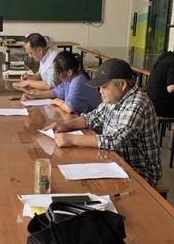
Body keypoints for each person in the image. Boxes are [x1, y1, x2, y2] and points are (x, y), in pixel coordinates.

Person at [43, 58, 162, 186]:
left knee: (83, 186)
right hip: (114, 161)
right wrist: (63, 126)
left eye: (104, 86)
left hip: (138, 172)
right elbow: (90, 118)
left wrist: (71, 139)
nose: (100, 91)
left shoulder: (137, 103)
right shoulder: (115, 97)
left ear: (122, 85)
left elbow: (115, 140)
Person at [22, 51, 100, 114]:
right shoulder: (71, 77)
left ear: (69, 72)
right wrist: (36, 96)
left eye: (58, 72)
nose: (57, 75)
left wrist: (58, 102)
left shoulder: (77, 82)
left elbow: (69, 108)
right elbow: (56, 92)